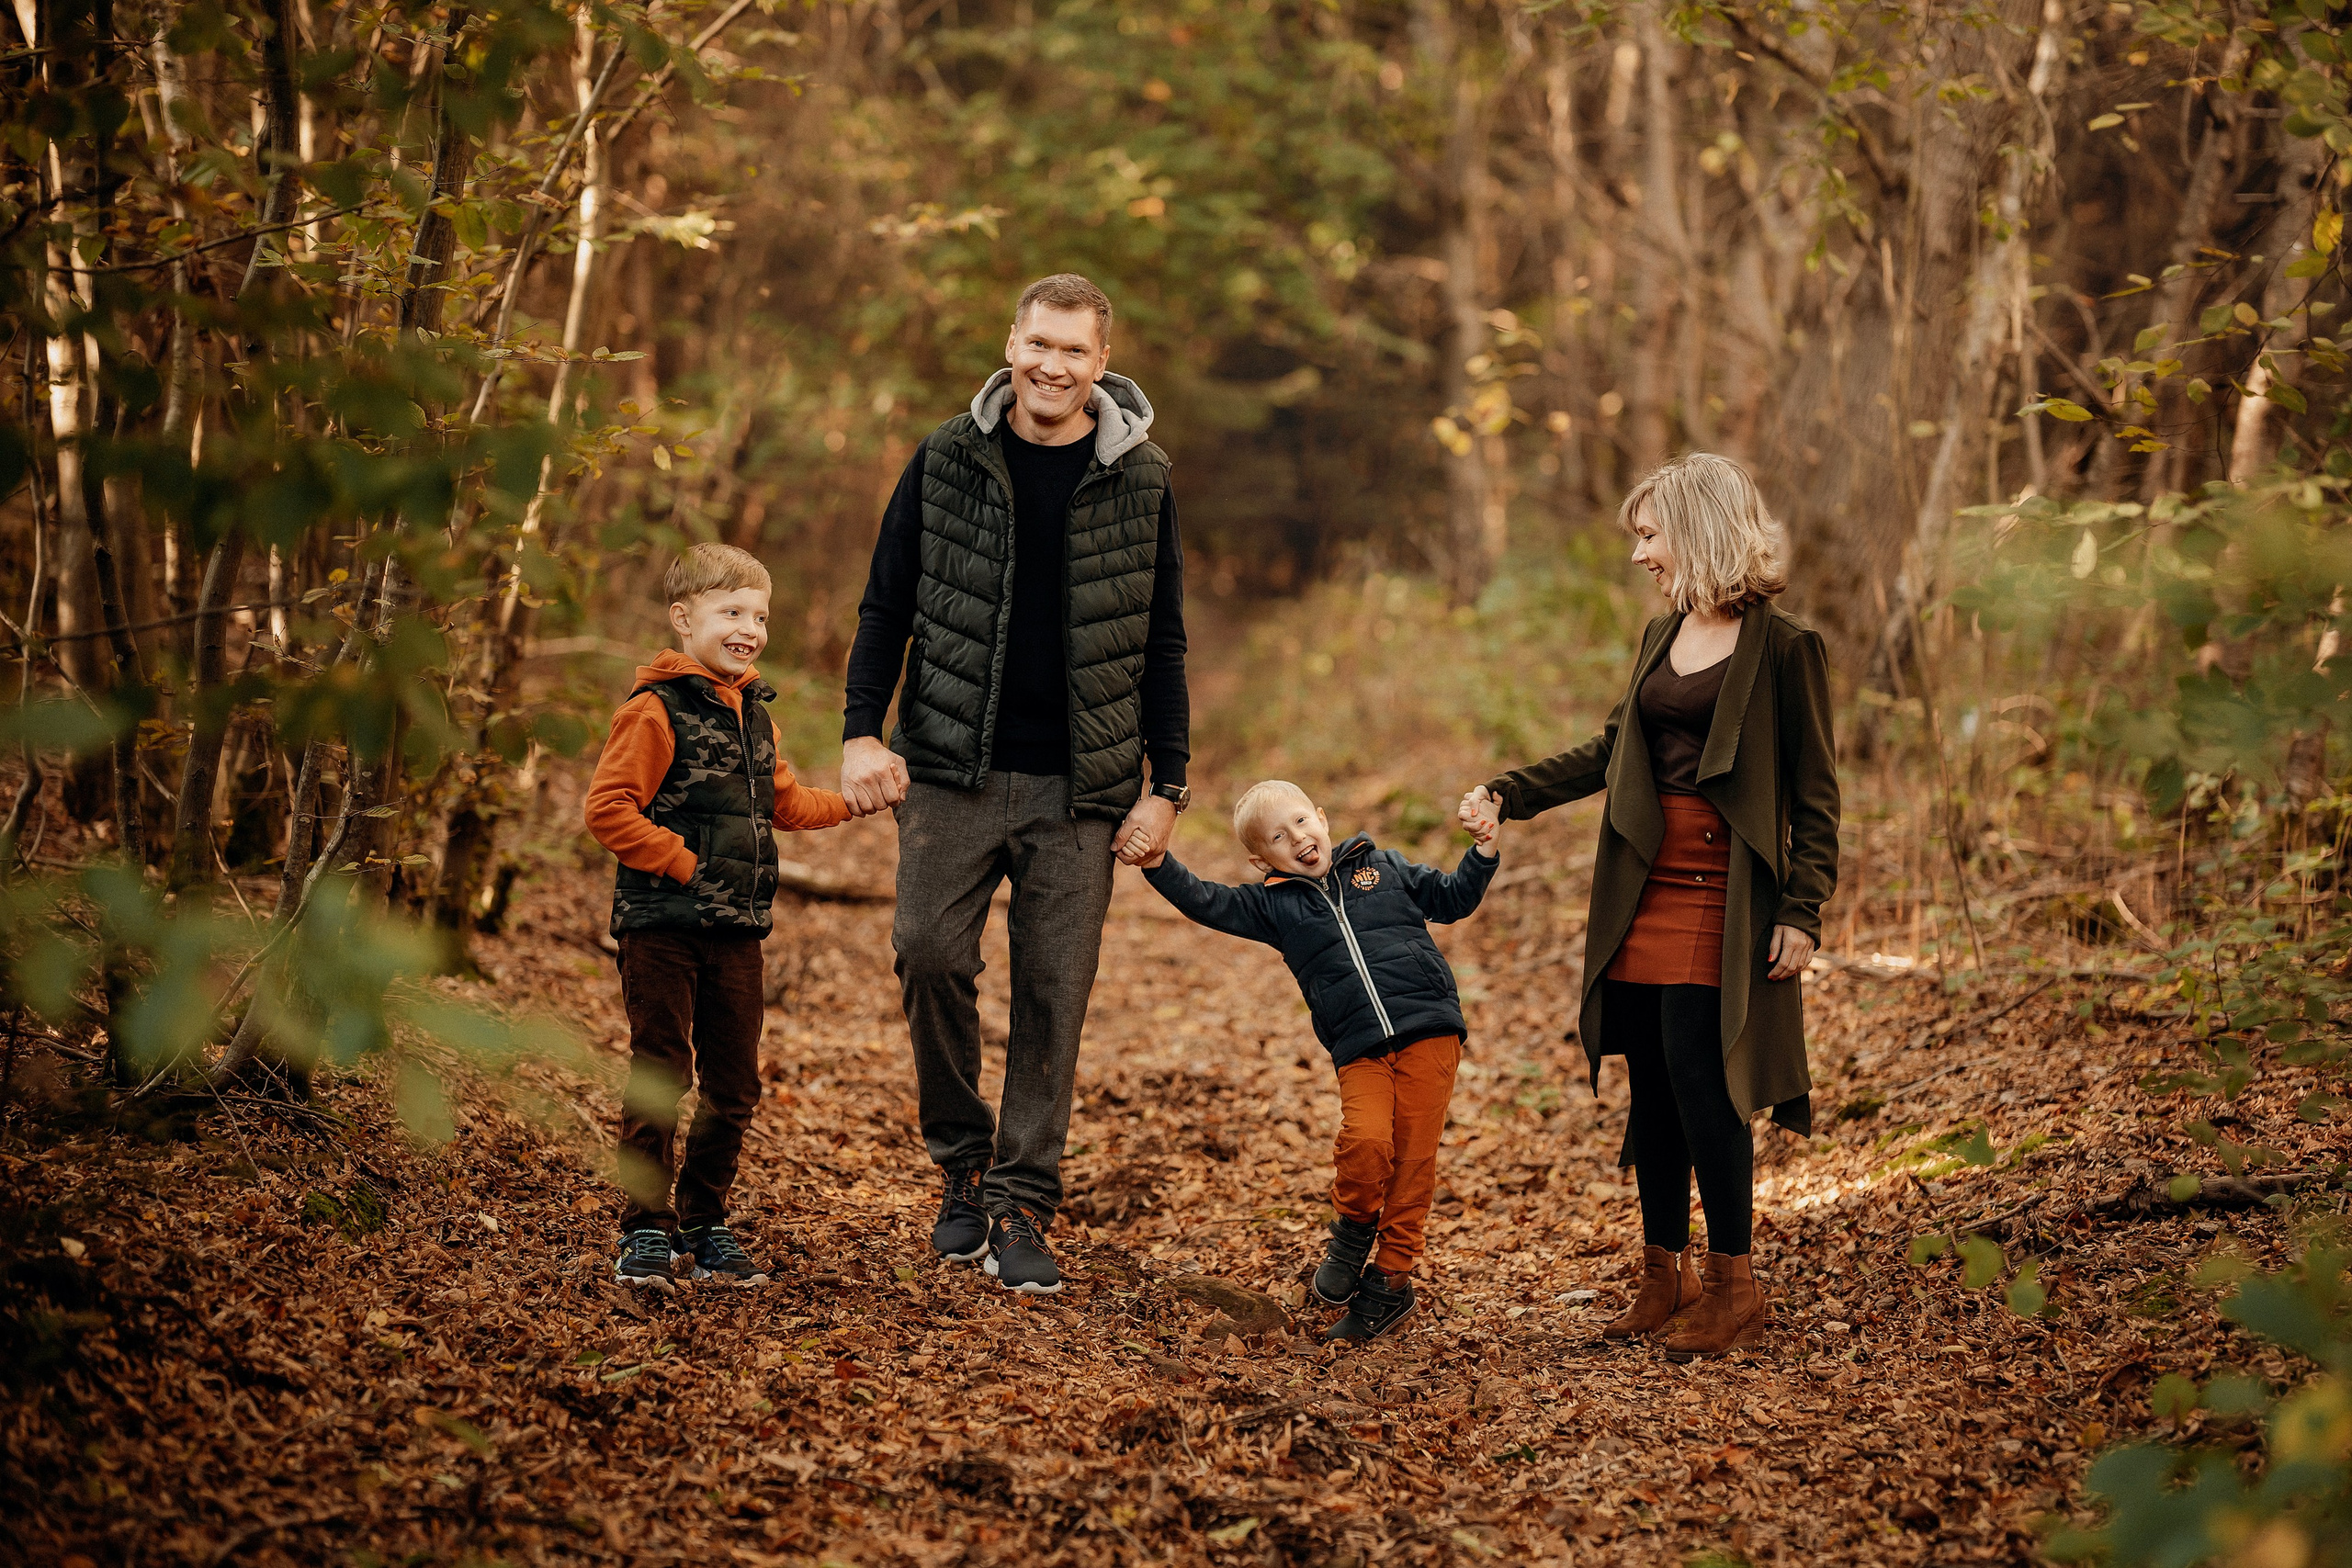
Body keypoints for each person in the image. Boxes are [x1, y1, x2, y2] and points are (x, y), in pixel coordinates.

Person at [839, 274, 1190, 1295]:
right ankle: (963, 1164)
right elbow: (883, 606)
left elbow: (1161, 640)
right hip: (951, 766)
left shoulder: (1143, 475)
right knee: (927, 954)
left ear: (1100, 363)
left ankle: (1023, 1198)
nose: (1052, 365)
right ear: (1011, 344)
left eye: (1074, 351)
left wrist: (1167, 783)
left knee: (1053, 994)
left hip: (1080, 785)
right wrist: (863, 732)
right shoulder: (947, 456)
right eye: (1038, 344)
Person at [1460, 453, 1839, 1360]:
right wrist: (1508, 790)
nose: (1640, 556)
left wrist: (1802, 908)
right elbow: (1611, 749)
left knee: (1705, 1084)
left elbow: (1815, 793)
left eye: (1648, 534)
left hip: (1723, 893)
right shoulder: (1658, 636)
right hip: (1643, 886)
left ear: (1697, 529)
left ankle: (1734, 1286)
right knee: (1655, 1093)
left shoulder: (1785, 648)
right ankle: (1661, 1275)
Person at [584, 543, 856, 1289]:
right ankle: (644, 1229)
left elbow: (788, 802)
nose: (750, 628)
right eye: (731, 611)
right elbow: (608, 809)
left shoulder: (754, 717)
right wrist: (682, 863)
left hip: (737, 931)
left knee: (734, 1085)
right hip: (662, 926)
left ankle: (705, 1223)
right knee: (661, 1075)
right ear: (683, 618)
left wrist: (856, 801)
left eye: (760, 616)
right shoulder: (653, 711)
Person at [1138, 780, 1499, 1343]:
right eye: (1278, 838)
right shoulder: (1272, 907)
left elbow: (1454, 898)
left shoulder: (1382, 867)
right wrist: (1159, 863)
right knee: (1365, 1141)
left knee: (1412, 1163)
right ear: (1262, 860)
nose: (1298, 839)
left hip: (1429, 1028)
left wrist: (1483, 851)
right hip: (1358, 1046)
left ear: (1323, 819)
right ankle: (1354, 1234)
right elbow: (1208, 900)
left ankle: (1391, 1284)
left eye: (1302, 822)